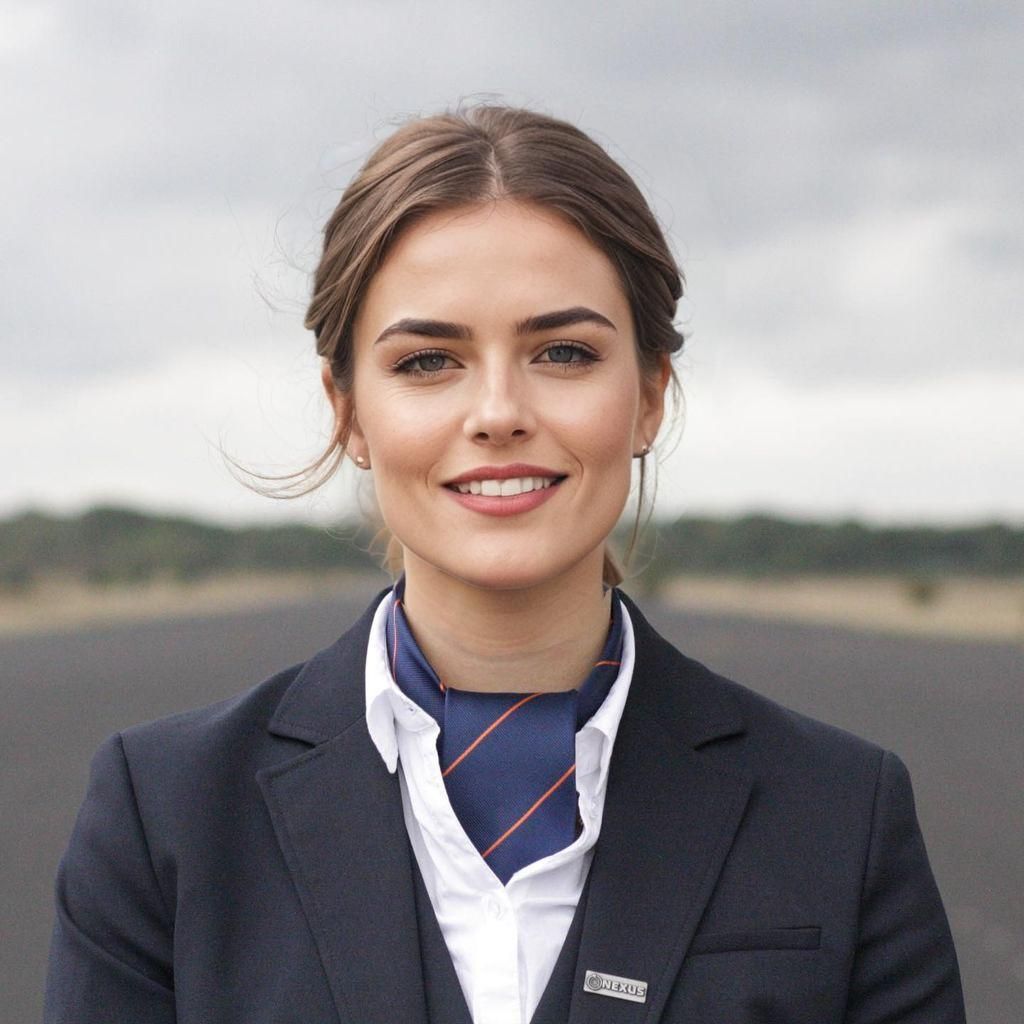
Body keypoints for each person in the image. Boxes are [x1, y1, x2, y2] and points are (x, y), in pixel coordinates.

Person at [44, 105, 966, 1023]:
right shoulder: (163, 815)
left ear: (649, 396)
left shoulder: (842, 814)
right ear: (347, 411)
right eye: (427, 361)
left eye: (563, 352)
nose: (497, 413)